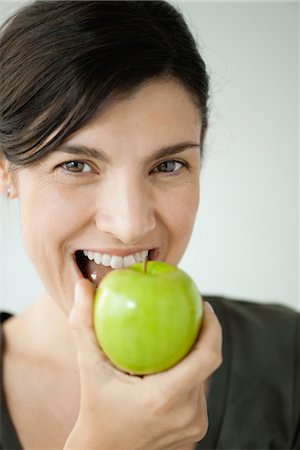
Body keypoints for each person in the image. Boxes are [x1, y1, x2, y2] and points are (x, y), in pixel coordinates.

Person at [0, 1, 298, 449]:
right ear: (6, 172)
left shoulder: (288, 358)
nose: (129, 225)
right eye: (78, 165)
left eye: (169, 165)